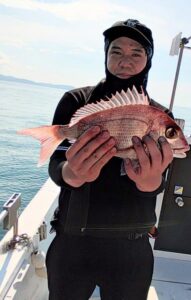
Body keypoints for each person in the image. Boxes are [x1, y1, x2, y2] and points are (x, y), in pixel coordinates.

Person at [46, 19, 174, 300]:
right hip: (72, 244)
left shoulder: (159, 116)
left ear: (148, 60)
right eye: (116, 51)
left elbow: (161, 180)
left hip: (131, 250)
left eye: (136, 53)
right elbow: (55, 164)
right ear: (105, 55)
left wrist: (150, 181)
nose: (124, 61)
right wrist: (72, 174)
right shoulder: (75, 101)